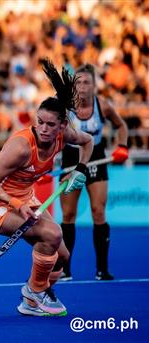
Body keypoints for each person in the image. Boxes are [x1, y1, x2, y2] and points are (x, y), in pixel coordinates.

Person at [0, 58, 94, 317]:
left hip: (25, 200)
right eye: (39, 121)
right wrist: (18, 204)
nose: (43, 128)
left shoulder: (65, 135)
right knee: (51, 234)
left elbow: (88, 142)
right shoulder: (20, 147)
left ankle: (32, 300)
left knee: (62, 256)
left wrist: (80, 170)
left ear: (62, 126)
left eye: (50, 125)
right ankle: (35, 290)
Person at [59, 64, 129, 282]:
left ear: (94, 86)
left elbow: (122, 126)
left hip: (97, 158)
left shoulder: (103, 106)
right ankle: (65, 270)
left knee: (98, 212)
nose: (81, 87)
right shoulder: (65, 107)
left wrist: (123, 146)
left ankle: (102, 270)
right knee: (68, 215)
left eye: (86, 82)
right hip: (71, 158)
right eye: (78, 82)